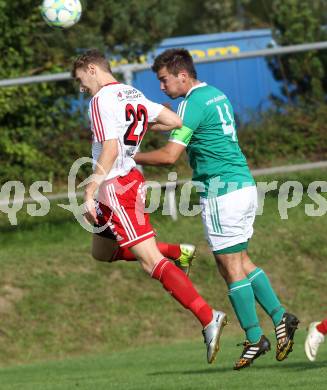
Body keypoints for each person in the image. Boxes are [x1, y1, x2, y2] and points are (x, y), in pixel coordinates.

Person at [134, 48, 299, 370]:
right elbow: (188, 126)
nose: (162, 87)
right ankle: (281, 317)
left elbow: (169, 156)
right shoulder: (213, 95)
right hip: (241, 185)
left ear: (183, 75)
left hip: (222, 192)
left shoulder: (191, 104)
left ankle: (255, 337)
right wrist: (151, 125)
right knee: (239, 261)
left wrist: (129, 157)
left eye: (164, 80)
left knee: (228, 265)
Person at [71, 49, 227, 364]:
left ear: (92, 69)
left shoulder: (100, 101)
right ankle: (175, 251)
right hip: (125, 184)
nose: (81, 87)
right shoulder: (132, 93)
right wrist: (145, 125)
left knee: (149, 262)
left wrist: (90, 189)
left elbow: (112, 148)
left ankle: (208, 317)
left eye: (80, 79)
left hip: (117, 187)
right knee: (101, 253)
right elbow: (174, 120)